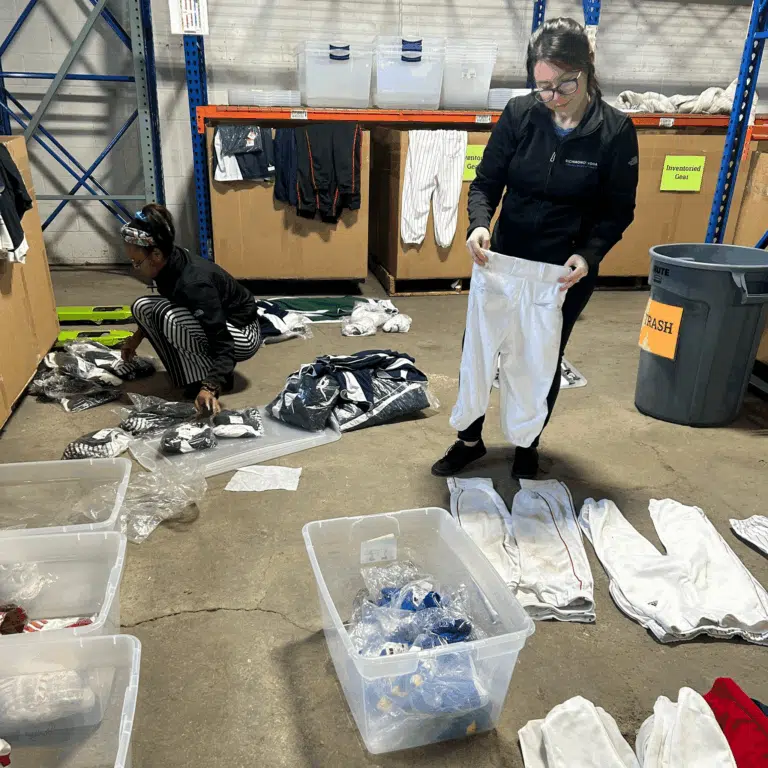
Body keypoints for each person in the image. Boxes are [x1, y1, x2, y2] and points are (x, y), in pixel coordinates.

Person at [432, 17, 639, 480]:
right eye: (543, 86)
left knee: (541, 357)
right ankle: (469, 440)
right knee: (480, 351)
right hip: (503, 260)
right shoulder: (520, 114)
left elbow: (617, 211)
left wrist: (588, 255)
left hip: (563, 270)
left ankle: (528, 444)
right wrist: (480, 226)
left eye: (565, 83)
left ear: (587, 69)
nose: (554, 97)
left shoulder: (615, 131)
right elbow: (485, 183)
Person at [120, 204, 262, 415]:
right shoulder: (169, 264)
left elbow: (223, 342)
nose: (135, 267)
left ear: (156, 254)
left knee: (172, 319)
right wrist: (136, 338)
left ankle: (208, 380)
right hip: (221, 326)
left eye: (136, 261)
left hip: (243, 334)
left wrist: (210, 386)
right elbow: (174, 300)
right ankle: (187, 376)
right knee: (143, 307)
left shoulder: (195, 283)